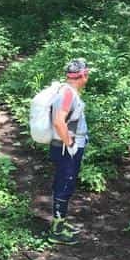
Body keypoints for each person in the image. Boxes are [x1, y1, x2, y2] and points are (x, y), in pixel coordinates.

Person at [48, 58, 90, 245]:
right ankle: (56, 231)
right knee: (65, 185)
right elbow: (58, 121)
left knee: (64, 183)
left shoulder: (66, 91)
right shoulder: (68, 95)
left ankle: (60, 222)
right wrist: (71, 145)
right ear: (82, 75)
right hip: (67, 148)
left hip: (64, 146)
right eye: (86, 73)